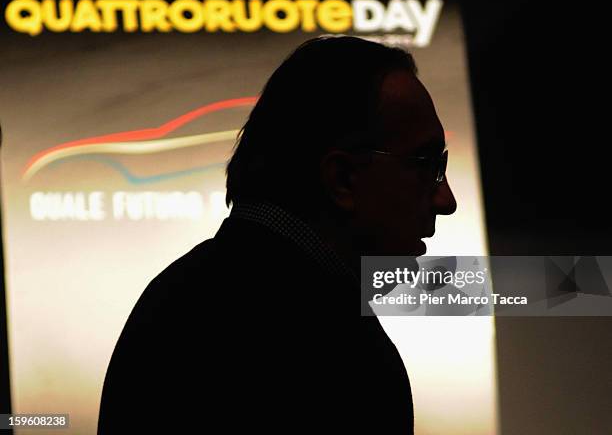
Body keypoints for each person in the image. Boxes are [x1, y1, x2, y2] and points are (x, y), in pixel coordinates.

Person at [98, 35, 456, 434]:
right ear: (342, 179)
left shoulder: (175, 296)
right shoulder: (333, 350)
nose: (447, 199)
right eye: (427, 166)